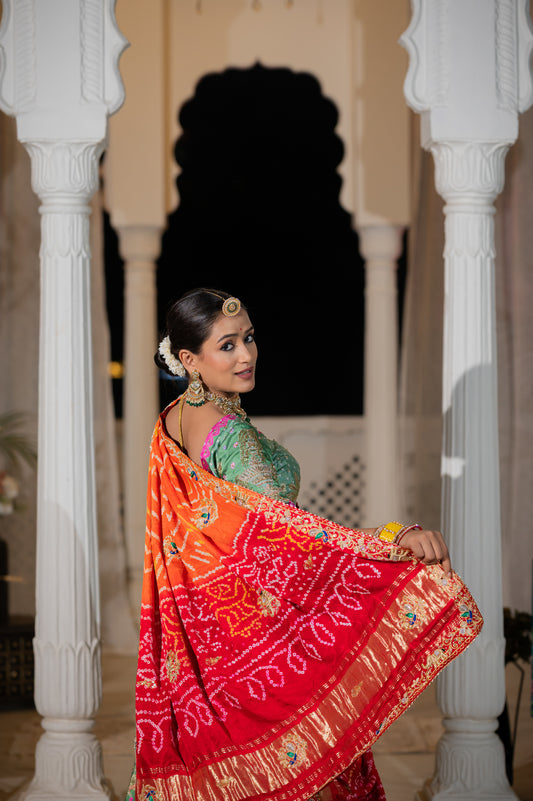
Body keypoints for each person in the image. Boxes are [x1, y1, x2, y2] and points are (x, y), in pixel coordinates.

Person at [131, 288, 482, 801]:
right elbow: (291, 544)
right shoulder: (229, 436)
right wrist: (394, 540)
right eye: (226, 345)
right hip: (255, 641)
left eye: (248, 338)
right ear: (189, 359)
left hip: (212, 636)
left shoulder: (174, 420)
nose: (247, 355)